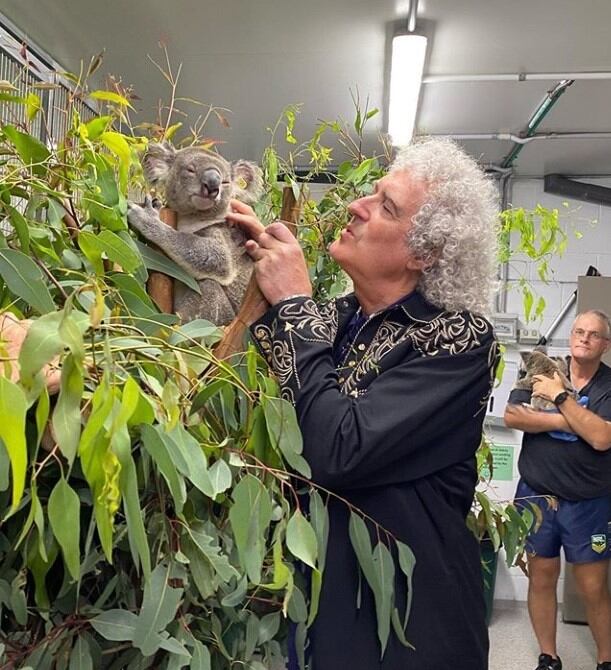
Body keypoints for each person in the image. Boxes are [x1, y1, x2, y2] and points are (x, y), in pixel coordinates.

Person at [226, 137, 500, 669]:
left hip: (410, 624)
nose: (357, 205)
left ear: (425, 252)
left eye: (385, 206)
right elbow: (243, 387)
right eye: (372, 194)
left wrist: (294, 303)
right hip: (314, 604)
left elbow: (337, 449)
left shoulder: (456, 341)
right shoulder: (336, 320)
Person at [504, 310, 611, 670]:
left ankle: (605, 660)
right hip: (537, 497)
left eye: (593, 334)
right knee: (541, 578)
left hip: (589, 502)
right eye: (579, 331)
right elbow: (514, 416)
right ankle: (548, 657)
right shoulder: (541, 369)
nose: (583, 338)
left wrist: (560, 398)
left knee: (593, 588)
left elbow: (601, 437)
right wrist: (575, 420)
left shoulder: (609, 385)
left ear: (605, 344)